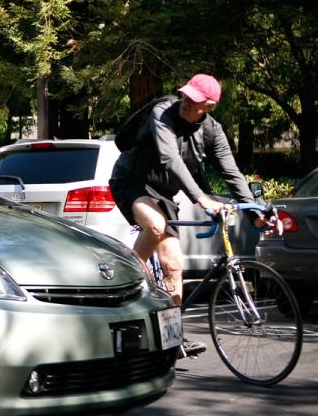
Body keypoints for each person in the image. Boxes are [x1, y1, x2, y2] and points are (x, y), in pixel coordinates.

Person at [109, 73, 263, 356]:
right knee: (155, 225)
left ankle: (173, 338)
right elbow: (170, 159)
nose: (186, 101)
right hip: (131, 180)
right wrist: (201, 198)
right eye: (185, 95)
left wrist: (254, 213)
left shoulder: (213, 132)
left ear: (208, 106)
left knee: (173, 265)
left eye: (194, 99)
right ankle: (128, 280)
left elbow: (231, 173)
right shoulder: (162, 112)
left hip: (162, 192)